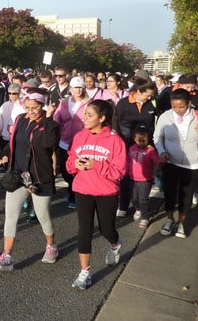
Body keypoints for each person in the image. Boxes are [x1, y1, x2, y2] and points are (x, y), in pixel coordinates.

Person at [0, 90, 60, 271]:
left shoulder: (51, 125)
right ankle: (7, 255)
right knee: (10, 216)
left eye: (35, 108)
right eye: (28, 107)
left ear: (42, 106)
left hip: (39, 177)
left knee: (43, 216)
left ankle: (51, 246)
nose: (31, 111)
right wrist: (5, 154)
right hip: (19, 175)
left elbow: (48, 143)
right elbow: (13, 142)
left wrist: (48, 118)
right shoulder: (21, 119)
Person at [66, 99, 126, 290]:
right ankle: (85, 272)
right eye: (85, 114)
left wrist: (96, 165)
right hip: (83, 189)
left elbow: (120, 171)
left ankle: (115, 244)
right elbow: (70, 162)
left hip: (106, 192)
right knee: (84, 230)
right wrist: (74, 165)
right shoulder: (79, 136)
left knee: (106, 230)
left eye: (89, 115)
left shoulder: (115, 140)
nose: (85, 118)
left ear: (102, 118)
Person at [154, 89, 198, 238]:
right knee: (169, 193)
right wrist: (162, 151)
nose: (178, 110)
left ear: (188, 103)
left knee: (186, 196)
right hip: (171, 161)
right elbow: (157, 137)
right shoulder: (165, 116)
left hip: (192, 163)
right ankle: (169, 220)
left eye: (181, 106)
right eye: (174, 106)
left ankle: (181, 223)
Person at [114, 77, 157, 216]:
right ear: (138, 91)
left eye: (151, 95)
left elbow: (152, 125)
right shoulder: (123, 103)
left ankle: (139, 205)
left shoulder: (151, 104)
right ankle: (123, 205)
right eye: (147, 94)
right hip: (126, 143)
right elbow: (115, 123)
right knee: (126, 174)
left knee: (141, 174)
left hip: (144, 144)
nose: (150, 97)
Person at [53, 76, 90, 208]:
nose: (78, 90)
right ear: (71, 88)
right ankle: (71, 189)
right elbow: (57, 118)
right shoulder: (64, 102)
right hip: (64, 141)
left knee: (78, 169)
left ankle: (74, 196)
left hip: (82, 143)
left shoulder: (90, 103)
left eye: (81, 87)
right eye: (76, 87)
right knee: (65, 170)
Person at [126, 126, 161, 229]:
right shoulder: (131, 149)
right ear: (134, 139)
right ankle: (138, 209)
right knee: (133, 198)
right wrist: (125, 171)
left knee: (143, 199)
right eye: (138, 141)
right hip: (132, 178)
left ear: (147, 140)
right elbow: (128, 161)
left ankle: (145, 217)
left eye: (144, 141)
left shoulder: (150, 150)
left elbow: (157, 161)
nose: (141, 143)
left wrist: (161, 161)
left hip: (145, 179)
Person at [0, 83, 24, 152]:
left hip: (17, 137)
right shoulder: (4, 105)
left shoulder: (23, 107)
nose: (11, 95)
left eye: (14, 93)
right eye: (9, 93)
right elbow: (1, 121)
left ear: (19, 93)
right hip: (5, 136)